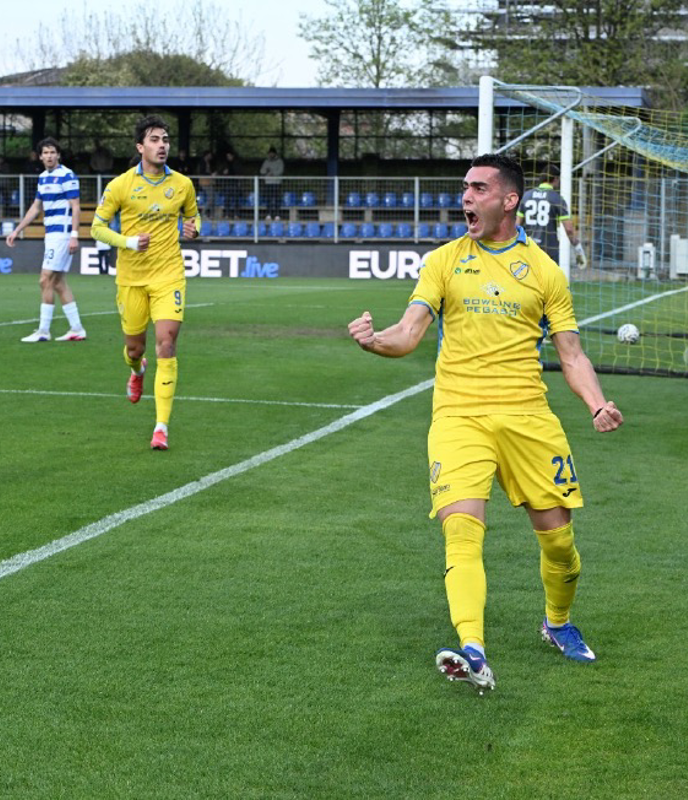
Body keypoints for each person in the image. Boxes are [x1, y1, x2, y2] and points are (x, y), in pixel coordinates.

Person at [347, 153, 624, 693]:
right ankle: (472, 648)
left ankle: (558, 623)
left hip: (527, 417)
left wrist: (596, 402)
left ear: (509, 200)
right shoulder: (444, 261)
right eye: (464, 188)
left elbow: (570, 353)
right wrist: (375, 340)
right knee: (460, 530)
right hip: (459, 415)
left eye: (478, 189)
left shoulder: (545, 271)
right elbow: (408, 332)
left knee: (559, 545)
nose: (466, 198)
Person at [90, 115, 200, 451]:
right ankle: (137, 371)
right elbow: (97, 227)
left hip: (169, 274)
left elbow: (192, 215)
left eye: (165, 139)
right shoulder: (120, 185)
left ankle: (161, 427)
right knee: (135, 349)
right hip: (131, 278)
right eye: (154, 139)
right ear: (140, 147)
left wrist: (194, 228)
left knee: (166, 343)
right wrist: (128, 242)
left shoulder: (182, 184)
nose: (162, 144)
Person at [5, 137, 87, 343]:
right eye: (46, 153)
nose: (49, 156)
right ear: (40, 156)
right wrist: (18, 230)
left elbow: (76, 206)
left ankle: (43, 331)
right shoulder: (43, 177)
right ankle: (77, 329)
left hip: (62, 234)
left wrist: (74, 236)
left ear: (58, 155)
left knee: (45, 279)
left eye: (53, 152)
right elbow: (36, 207)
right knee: (58, 283)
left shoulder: (67, 175)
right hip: (51, 234)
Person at [517, 164, 586, 269]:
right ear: (555, 179)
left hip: (528, 248)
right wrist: (577, 246)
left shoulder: (526, 196)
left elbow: (516, 225)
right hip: (549, 249)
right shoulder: (557, 199)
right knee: (550, 283)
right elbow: (569, 229)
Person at [259, 146, 284, 220]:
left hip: (276, 183)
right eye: (270, 153)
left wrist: (273, 173)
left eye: (272, 153)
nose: (271, 155)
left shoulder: (280, 161)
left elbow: (281, 170)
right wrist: (266, 171)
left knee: (276, 198)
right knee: (268, 199)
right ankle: (268, 213)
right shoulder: (266, 161)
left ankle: (277, 214)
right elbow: (261, 171)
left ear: (275, 154)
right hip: (268, 183)